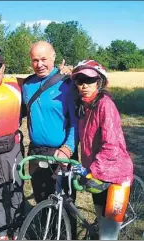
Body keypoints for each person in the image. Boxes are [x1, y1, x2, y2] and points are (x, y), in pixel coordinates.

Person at [70, 59, 134, 240]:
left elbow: (111, 146)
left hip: (116, 177)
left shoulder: (105, 105)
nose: (84, 85)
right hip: (96, 176)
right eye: (79, 80)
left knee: (107, 236)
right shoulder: (84, 105)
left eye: (89, 80)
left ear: (99, 82)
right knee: (101, 221)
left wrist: (91, 170)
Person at [22, 41, 79, 203]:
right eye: (35, 60)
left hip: (61, 152)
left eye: (43, 59)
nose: (39, 64)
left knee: (64, 202)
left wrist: (68, 148)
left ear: (53, 57)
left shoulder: (67, 83)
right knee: (41, 198)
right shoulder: (27, 84)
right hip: (36, 152)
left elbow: (76, 122)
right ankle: (44, 229)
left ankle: (64, 230)